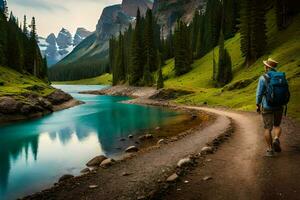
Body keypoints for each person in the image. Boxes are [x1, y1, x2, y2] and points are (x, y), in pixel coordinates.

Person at [256, 58, 285, 157]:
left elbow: (259, 94)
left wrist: (258, 104)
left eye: (265, 65)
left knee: (268, 128)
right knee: (277, 125)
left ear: (267, 67)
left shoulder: (263, 77)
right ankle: (276, 138)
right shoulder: (281, 77)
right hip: (279, 105)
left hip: (267, 106)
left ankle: (270, 150)